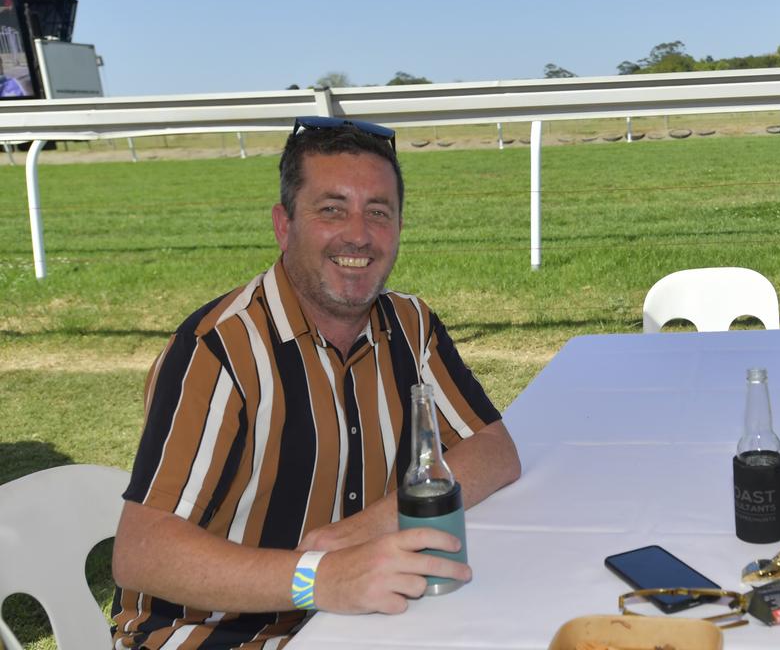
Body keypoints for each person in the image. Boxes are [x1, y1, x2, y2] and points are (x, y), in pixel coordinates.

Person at [111, 116, 521, 648]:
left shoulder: (409, 325)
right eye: (331, 210)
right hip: (214, 633)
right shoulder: (220, 350)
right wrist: (318, 576)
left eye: (379, 212)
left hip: (356, 620)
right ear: (285, 225)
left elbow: (494, 450)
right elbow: (142, 553)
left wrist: (363, 530)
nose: (358, 234)